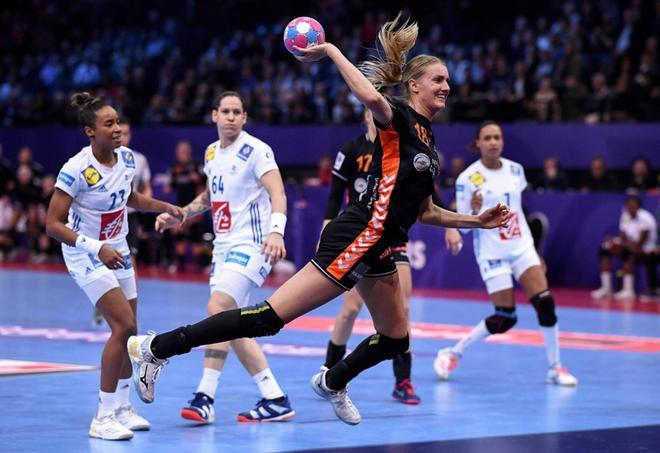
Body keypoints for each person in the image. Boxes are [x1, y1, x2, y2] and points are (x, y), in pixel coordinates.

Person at [127, 14, 511, 426]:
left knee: (396, 337)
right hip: (360, 234)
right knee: (268, 319)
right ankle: (157, 347)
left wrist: (477, 222)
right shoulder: (397, 116)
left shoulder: (429, 141)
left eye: (447, 81)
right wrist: (329, 51)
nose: (447, 87)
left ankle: (332, 382)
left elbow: (428, 212)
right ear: (414, 85)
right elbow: (370, 97)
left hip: (382, 245)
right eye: (438, 80)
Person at [46, 92, 185, 440]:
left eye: (118, 121)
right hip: (85, 252)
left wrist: (163, 205)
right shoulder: (75, 169)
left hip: (118, 247)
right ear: (90, 131)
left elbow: (129, 198)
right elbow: (53, 224)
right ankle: (102, 417)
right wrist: (97, 247)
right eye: (109, 124)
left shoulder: (126, 159)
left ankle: (123, 407)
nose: (118, 128)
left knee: (132, 328)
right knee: (122, 326)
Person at [154, 91, 295, 424]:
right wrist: (181, 214)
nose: (231, 117)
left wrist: (277, 231)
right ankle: (274, 397)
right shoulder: (212, 152)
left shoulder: (257, 150)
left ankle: (205, 396)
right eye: (225, 111)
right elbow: (209, 195)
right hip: (223, 247)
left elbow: (278, 192)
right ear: (214, 115)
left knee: (217, 309)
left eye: (237, 112)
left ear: (244, 117)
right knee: (229, 323)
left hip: (253, 244)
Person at [320, 109, 463, 404]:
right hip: (361, 234)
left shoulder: (403, 143)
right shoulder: (351, 150)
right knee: (349, 309)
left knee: (403, 309)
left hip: (393, 235)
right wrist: (325, 229)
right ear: (365, 114)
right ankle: (329, 369)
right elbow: (335, 195)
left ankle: (403, 381)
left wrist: (453, 226)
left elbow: (428, 191)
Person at [433, 121, 578, 387]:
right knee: (505, 317)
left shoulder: (515, 170)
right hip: (492, 252)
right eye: (487, 138)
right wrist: (472, 212)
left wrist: (534, 250)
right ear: (478, 143)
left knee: (545, 304)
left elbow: (518, 211)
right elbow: (464, 227)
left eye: (497, 137)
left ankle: (556, 367)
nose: (493, 142)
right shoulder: (468, 178)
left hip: (521, 246)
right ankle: (453, 352)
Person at [93, 118, 152, 326]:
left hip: (131, 216)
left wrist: (148, 206)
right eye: (119, 132)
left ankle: (128, 305)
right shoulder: (99, 160)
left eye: (126, 133)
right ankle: (103, 303)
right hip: (109, 217)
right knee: (105, 261)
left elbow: (145, 187)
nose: (122, 135)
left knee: (129, 261)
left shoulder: (138, 159)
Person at [591, 191, 658, 301]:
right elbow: (623, 237)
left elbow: (640, 243)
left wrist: (622, 244)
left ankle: (629, 290)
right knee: (605, 249)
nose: (629, 208)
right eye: (628, 205)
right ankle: (606, 288)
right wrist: (615, 242)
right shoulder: (625, 215)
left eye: (633, 206)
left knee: (628, 252)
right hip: (630, 246)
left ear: (638, 207)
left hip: (646, 249)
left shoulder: (645, 218)